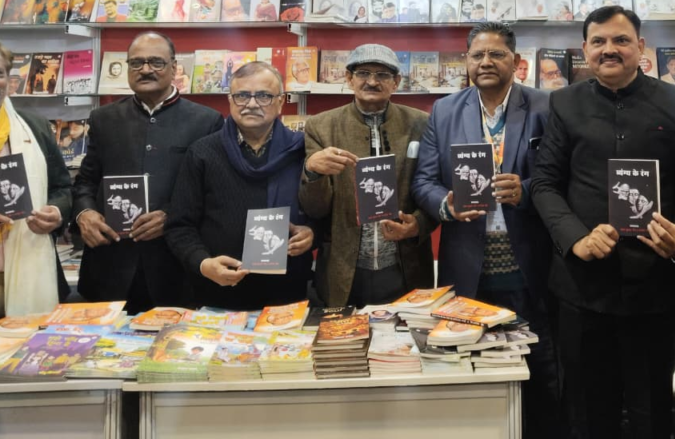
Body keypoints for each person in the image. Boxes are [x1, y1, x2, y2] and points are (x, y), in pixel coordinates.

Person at [530, 6, 675, 439]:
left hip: (654, 288)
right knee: (588, 413)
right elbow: (544, 183)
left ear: (641, 47)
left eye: (621, 40)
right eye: (599, 41)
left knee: (652, 410)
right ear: (585, 50)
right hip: (582, 287)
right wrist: (575, 238)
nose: (609, 49)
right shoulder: (564, 103)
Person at [411, 21, 557, 438]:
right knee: (470, 377)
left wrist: (526, 189)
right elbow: (423, 181)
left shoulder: (546, 106)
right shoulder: (444, 110)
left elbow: (563, 175)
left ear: (516, 60)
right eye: (478, 55)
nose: (486, 62)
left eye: (496, 54)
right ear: (467, 61)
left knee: (541, 375)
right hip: (468, 269)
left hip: (530, 268)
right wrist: (446, 204)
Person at [72, 32, 223, 312]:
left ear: (174, 68)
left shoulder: (207, 121)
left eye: (156, 62)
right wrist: (85, 213)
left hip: (176, 268)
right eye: (136, 63)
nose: (145, 69)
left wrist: (171, 215)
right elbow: (86, 181)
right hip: (110, 266)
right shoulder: (104, 119)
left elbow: (213, 190)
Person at [166, 61, 314, 309]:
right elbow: (179, 225)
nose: (252, 104)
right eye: (242, 95)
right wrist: (203, 263)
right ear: (230, 100)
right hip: (218, 292)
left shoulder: (302, 151)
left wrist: (312, 233)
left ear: (280, 102)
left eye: (264, 96)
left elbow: (323, 213)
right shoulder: (202, 152)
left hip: (287, 294)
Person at [300, 44, 434, 307]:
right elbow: (315, 209)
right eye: (363, 73)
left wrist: (418, 223)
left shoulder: (421, 123)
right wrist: (313, 171)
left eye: (382, 75)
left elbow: (433, 184)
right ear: (349, 79)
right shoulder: (321, 126)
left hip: (406, 265)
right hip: (344, 268)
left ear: (396, 82)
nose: (372, 82)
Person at [0, 36, 70, 320]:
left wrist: (56, 212)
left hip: (31, 278)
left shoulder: (34, 126)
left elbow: (62, 187)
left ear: (8, 78)